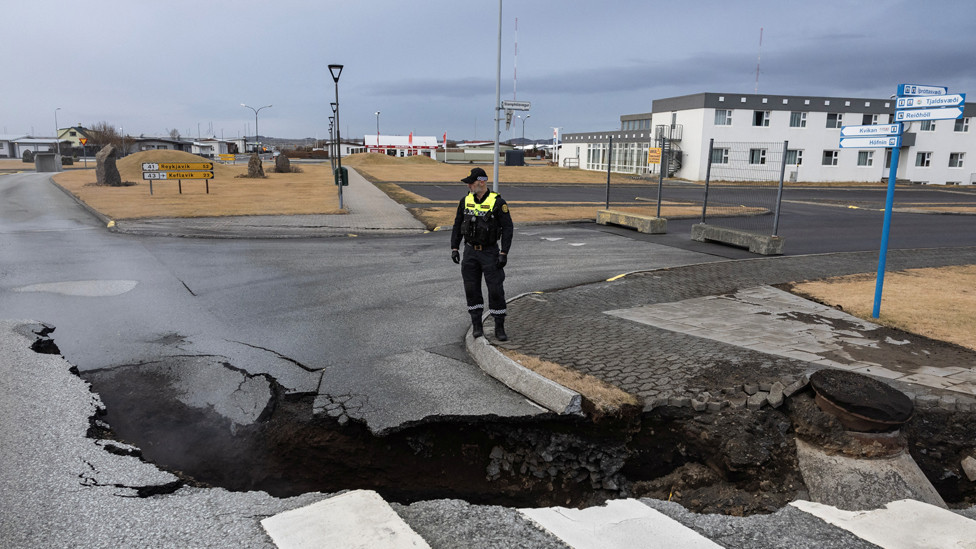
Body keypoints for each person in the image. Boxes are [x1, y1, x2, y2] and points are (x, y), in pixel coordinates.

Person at [451, 167, 514, 341]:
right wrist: (454, 247)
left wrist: (504, 252)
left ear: (482, 182)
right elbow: (457, 225)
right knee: (471, 289)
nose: (469, 185)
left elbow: (508, 228)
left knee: (495, 290)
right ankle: (477, 326)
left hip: (490, 252)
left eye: (471, 182)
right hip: (470, 252)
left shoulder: (498, 203)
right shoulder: (465, 201)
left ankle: (499, 327)